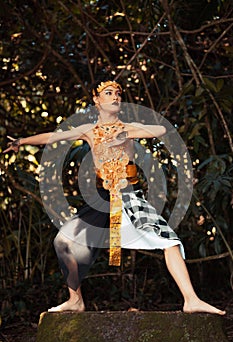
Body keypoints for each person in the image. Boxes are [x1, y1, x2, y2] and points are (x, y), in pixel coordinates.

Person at [3, 79, 225, 315]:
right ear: (96, 100)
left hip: (128, 196)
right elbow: (54, 136)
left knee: (169, 241)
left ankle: (191, 299)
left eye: (118, 93)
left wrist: (126, 133)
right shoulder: (88, 131)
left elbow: (160, 130)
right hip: (101, 198)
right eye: (108, 93)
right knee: (63, 242)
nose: (115, 97)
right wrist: (21, 141)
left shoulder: (128, 126)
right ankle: (75, 300)